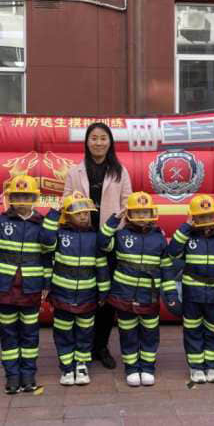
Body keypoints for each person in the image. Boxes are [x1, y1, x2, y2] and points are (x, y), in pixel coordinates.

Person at [0, 175, 59, 394]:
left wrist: (47, 284)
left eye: (26, 196)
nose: (22, 200)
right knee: (8, 332)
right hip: (4, 288)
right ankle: (12, 376)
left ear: (34, 198)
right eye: (17, 196)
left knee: (30, 333)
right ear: (10, 198)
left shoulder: (42, 223)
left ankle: (28, 375)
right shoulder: (0, 222)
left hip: (31, 287)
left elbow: (48, 251)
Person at [63, 122, 132, 369]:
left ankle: (100, 346)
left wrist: (113, 234)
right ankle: (80, 346)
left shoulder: (120, 172)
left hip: (109, 241)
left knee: (106, 297)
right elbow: (66, 203)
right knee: (83, 292)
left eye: (103, 138)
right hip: (81, 239)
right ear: (87, 142)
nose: (99, 142)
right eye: (94, 138)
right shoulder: (75, 172)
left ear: (110, 142)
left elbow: (127, 206)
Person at [97, 191, 178, 387]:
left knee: (150, 333)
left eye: (145, 212)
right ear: (129, 215)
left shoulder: (159, 238)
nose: (142, 217)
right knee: (128, 333)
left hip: (148, 296)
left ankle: (148, 368)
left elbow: (166, 268)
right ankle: (132, 368)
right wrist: (114, 219)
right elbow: (102, 243)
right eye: (137, 212)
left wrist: (170, 294)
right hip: (123, 295)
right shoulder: (120, 235)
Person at [165, 194, 214, 384]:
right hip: (192, 296)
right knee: (192, 330)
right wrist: (186, 227)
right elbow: (173, 251)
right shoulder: (187, 238)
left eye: (209, 216)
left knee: (213, 331)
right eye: (200, 217)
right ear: (193, 218)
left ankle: (211, 365)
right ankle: (196, 367)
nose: (206, 221)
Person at [48, 192, 110, 386]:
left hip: (88, 295)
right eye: (78, 213)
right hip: (61, 295)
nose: (84, 216)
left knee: (85, 332)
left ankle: (81, 364)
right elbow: (44, 241)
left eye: (86, 213)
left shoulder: (95, 238)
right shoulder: (58, 234)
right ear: (67, 215)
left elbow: (101, 267)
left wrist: (103, 292)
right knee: (63, 332)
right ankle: (66, 367)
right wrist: (53, 215)